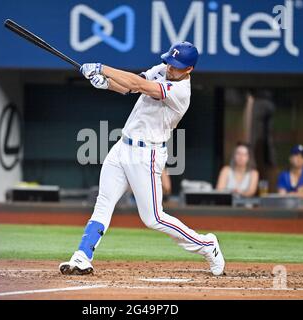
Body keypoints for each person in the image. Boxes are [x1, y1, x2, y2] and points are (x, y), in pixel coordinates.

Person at [59, 42, 225, 276]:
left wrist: (101, 68)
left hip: (147, 154)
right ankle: (82, 256)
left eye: (176, 66)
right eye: (169, 61)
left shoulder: (181, 93)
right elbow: (130, 87)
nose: (169, 67)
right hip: (122, 146)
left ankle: (207, 245)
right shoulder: (162, 68)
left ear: (189, 70)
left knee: (154, 218)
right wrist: (106, 84)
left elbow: (140, 85)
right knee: (104, 202)